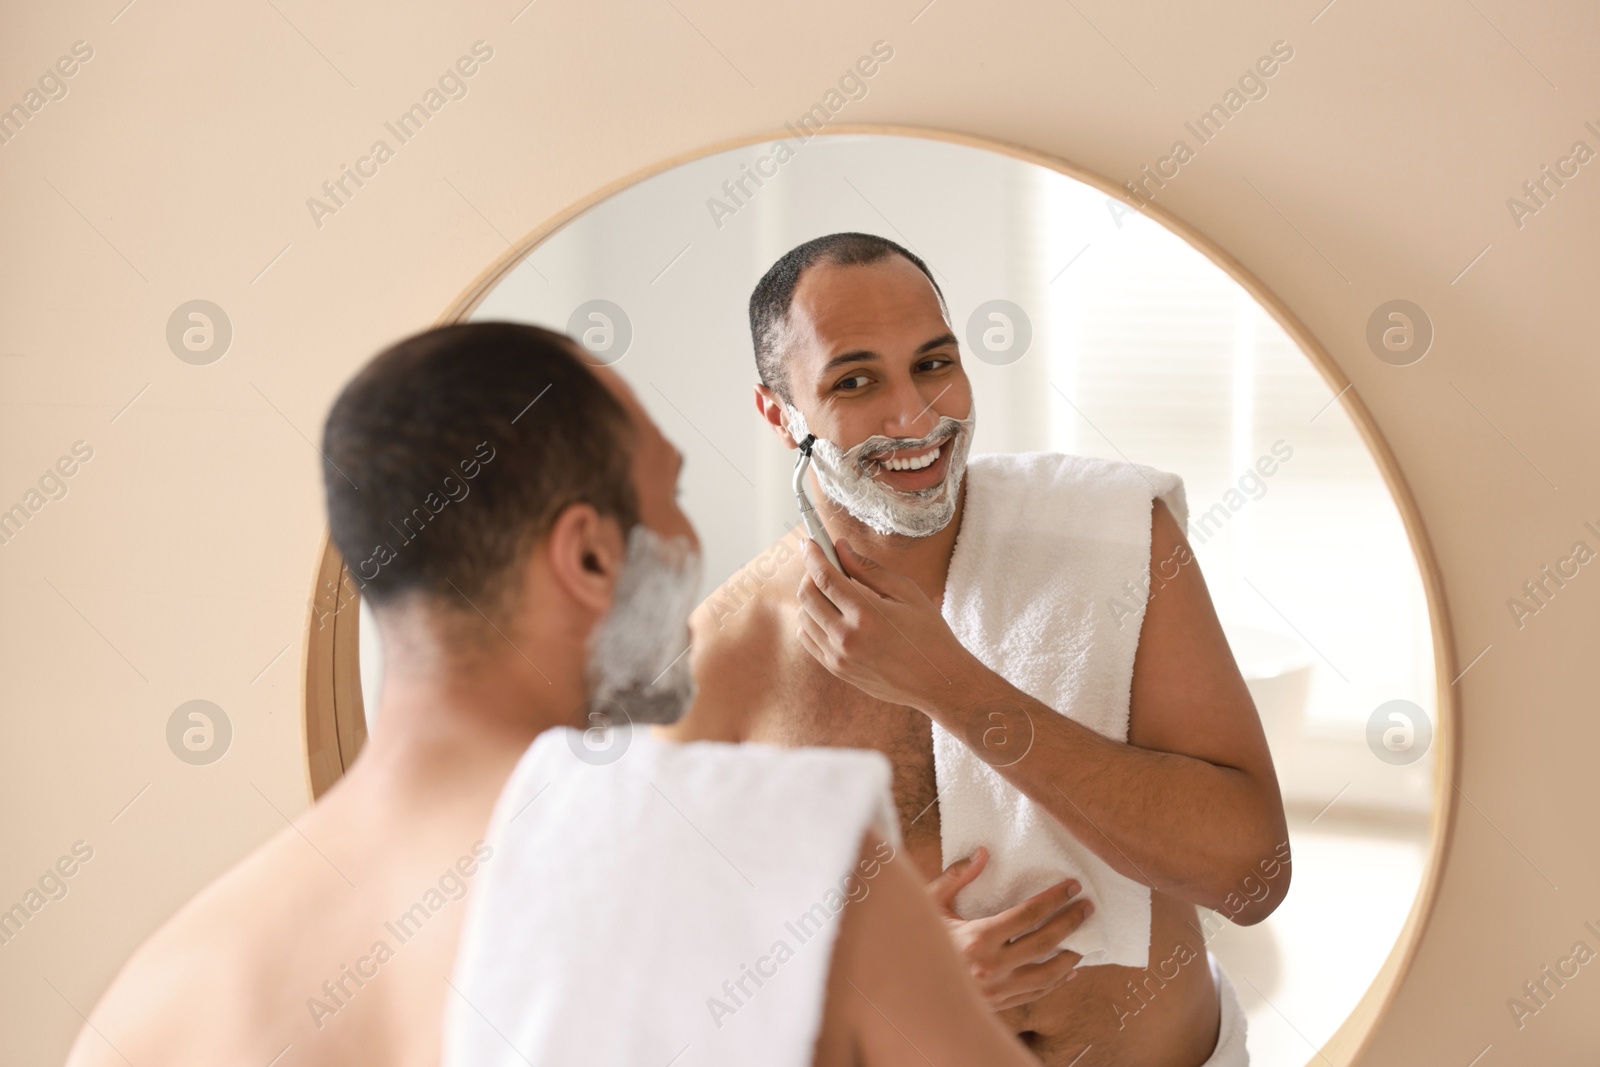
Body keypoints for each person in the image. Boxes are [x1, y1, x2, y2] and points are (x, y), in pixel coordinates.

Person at [64, 322, 1041, 1067]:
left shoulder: (158, 995)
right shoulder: (771, 857)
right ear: (588, 552)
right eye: (670, 492)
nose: (691, 543)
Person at [661, 233, 1289, 1066]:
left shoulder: (1114, 537)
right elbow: (662, 969)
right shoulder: (727, 652)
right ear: (779, 414)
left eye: (934, 363)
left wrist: (953, 687)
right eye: (855, 380)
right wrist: (879, 979)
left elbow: (1253, 876)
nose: (917, 416)